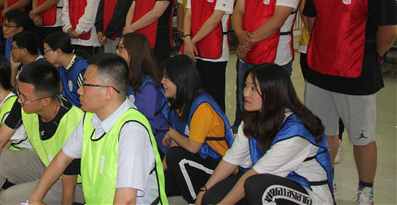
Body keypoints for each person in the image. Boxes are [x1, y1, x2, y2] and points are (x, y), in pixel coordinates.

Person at [302, 0, 397, 204]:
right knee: (323, 133)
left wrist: (372, 55)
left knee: (361, 137)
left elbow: (388, 30)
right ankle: (325, 182)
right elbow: (310, 19)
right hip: (318, 71)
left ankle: (365, 189)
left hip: (357, 73)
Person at [29, 54, 168, 205]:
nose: (79, 91)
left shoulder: (132, 130)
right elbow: (62, 159)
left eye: (86, 85)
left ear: (108, 92)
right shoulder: (91, 118)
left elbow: (126, 201)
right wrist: (35, 199)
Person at [197, 63, 333, 205]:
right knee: (210, 198)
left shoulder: (296, 130)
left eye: (253, 88)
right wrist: (203, 191)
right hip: (270, 181)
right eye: (246, 86)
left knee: (256, 187)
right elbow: (232, 159)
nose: (246, 93)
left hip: (306, 191)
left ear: (272, 92)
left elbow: (256, 174)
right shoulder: (253, 117)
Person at [0, 60, 84, 204]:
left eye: (24, 97)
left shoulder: (73, 124)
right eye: (18, 93)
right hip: (45, 163)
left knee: (9, 197)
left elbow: (69, 188)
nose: (19, 100)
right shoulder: (23, 104)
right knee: (0, 158)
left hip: (74, 183)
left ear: (45, 101)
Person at [232, 0, 302, 129]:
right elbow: (239, 11)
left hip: (275, 60)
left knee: (270, 112)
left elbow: (276, 22)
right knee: (245, 106)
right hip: (247, 56)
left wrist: (246, 41)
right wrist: (240, 35)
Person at [161, 55, 233, 202]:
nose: (162, 81)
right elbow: (176, 142)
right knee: (161, 182)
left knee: (176, 156)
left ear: (180, 79)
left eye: (167, 77)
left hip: (220, 166)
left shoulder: (201, 105)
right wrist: (158, 173)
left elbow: (193, 147)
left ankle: (195, 200)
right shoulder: (178, 105)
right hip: (200, 160)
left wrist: (172, 133)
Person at [183, 0, 237, 111]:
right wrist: (186, 38)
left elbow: (215, 19)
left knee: (214, 98)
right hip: (193, 48)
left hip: (213, 50)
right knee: (195, 96)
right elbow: (189, 12)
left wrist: (192, 41)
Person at [116, 33, 169, 154]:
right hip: (133, 135)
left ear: (134, 52)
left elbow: (139, 122)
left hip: (155, 143)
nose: (117, 52)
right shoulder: (127, 77)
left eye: (121, 48)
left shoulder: (149, 87)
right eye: (117, 47)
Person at [42, 31, 88, 108]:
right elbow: (59, 90)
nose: (44, 55)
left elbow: (90, 100)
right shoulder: (61, 66)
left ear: (58, 52)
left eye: (46, 51)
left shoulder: (81, 69)